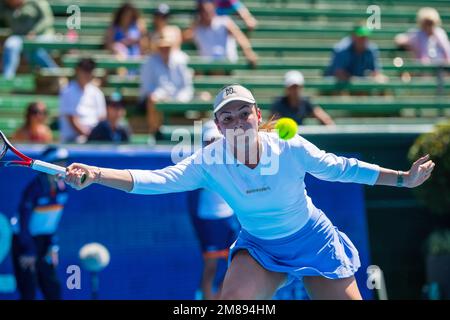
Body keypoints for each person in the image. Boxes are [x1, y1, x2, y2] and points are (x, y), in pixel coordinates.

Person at [63, 84, 435, 300]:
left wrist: (404, 178)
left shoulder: (291, 148)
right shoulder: (209, 161)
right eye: (228, 117)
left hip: (314, 242)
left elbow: (343, 168)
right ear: (218, 126)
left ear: (258, 115)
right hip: (259, 248)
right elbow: (155, 180)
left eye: (244, 113)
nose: (238, 121)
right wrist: (96, 173)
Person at [187, 121, 240, 300]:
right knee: (210, 266)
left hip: (229, 219)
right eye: (208, 141)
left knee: (233, 266)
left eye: (216, 140)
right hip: (210, 220)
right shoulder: (199, 163)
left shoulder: (230, 158)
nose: (212, 144)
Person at [10, 146, 70, 300]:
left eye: (64, 164)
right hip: (24, 241)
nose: (64, 168)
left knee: (53, 290)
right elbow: (23, 222)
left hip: (44, 243)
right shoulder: (34, 189)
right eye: (59, 164)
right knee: (28, 293)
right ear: (48, 166)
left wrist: (52, 245)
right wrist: (28, 250)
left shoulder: (63, 189)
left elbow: (52, 223)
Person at [139, 31, 194, 135]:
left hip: (177, 98)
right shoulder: (149, 62)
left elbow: (186, 87)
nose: (164, 49)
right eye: (162, 47)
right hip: (155, 98)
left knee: (206, 96)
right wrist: (161, 96)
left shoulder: (180, 61)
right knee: (153, 99)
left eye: (167, 47)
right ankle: (155, 133)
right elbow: (147, 87)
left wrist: (177, 99)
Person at [183, 0, 258, 66]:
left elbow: (240, 37)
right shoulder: (197, 27)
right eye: (204, 11)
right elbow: (185, 37)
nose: (207, 13)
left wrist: (248, 52)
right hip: (208, 66)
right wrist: (195, 25)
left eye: (209, 11)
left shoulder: (225, 22)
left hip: (226, 63)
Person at [0, 0, 58, 79]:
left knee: (34, 50)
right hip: (19, 37)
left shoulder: (36, 2)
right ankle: (8, 78)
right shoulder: (4, 6)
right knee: (10, 45)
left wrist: (35, 31)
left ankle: (56, 73)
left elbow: (47, 20)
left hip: (42, 36)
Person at [59, 58, 107, 143]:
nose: (87, 73)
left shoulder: (97, 92)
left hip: (94, 137)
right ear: (77, 70)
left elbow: (102, 117)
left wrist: (95, 135)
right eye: (85, 70)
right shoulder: (67, 91)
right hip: (73, 139)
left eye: (90, 70)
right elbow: (72, 120)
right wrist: (89, 136)